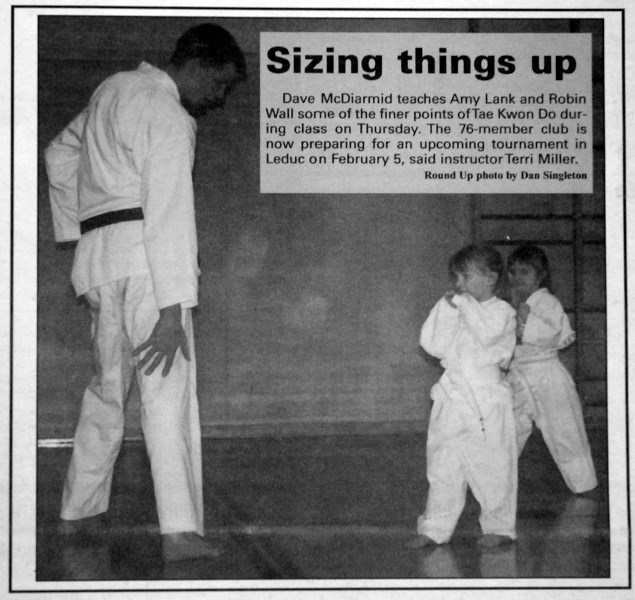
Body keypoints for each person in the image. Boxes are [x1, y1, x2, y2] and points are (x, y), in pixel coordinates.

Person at [44, 23, 246, 562]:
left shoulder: (110, 90)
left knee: (108, 388)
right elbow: (170, 212)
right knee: (167, 391)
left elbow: (58, 155)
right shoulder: (169, 113)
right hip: (148, 265)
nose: (219, 99)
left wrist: (80, 226)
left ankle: (77, 510)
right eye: (221, 85)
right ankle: (179, 531)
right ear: (198, 64)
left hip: (99, 265)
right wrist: (172, 308)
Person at [408, 244, 518, 549]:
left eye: (465, 277)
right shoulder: (459, 308)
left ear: (490, 278)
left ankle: (499, 527)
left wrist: (464, 305)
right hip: (452, 398)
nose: (459, 285)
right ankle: (435, 527)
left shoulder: (503, 312)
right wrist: (445, 309)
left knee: (492, 467)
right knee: (442, 465)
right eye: (456, 278)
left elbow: (487, 335)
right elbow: (432, 344)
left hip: (486, 400)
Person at [506, 244, 597, 494]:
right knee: (507, 431)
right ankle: (495, 483)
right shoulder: (509, 305)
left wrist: (525, 318)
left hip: (548, 374)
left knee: (565, 431)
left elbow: (551, 332)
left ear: (540, 274)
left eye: (524, 272)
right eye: (512, 272)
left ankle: (583, 484)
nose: (517, 278)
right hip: (519, 376)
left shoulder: (548, 302)